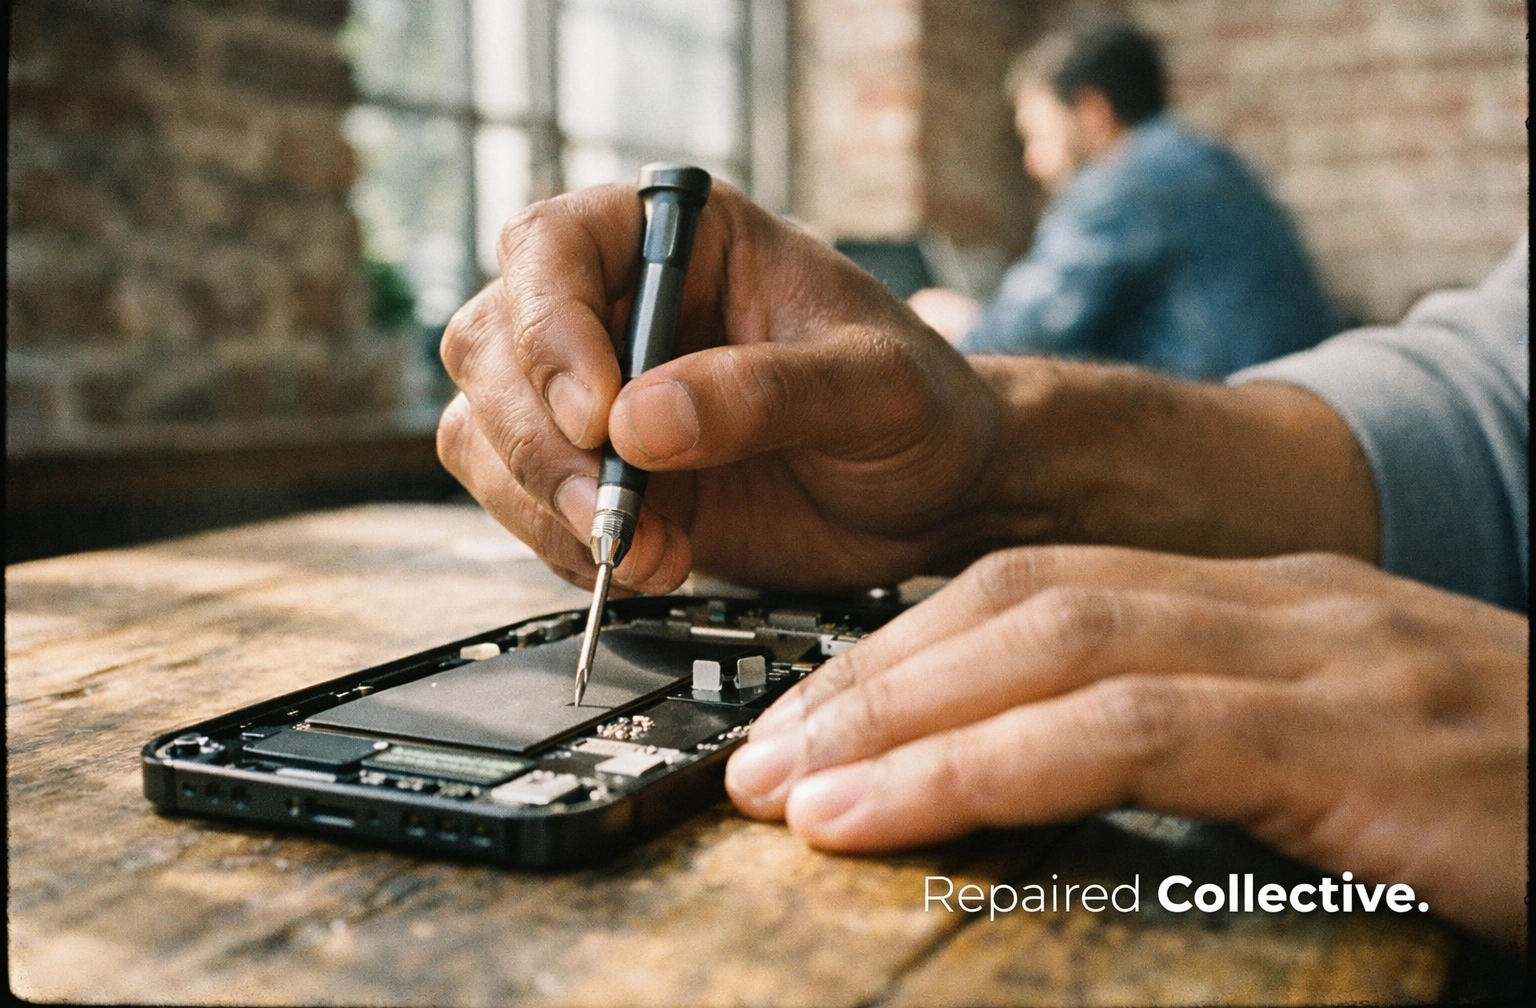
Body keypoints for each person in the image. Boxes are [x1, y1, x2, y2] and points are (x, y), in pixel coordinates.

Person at [436, 179, 1526, 948]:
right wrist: (992, 457)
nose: (1039, 156)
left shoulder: (1138, 182)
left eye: (1035, 132)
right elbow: (1497, 404)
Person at [910, 22, 1344, 378]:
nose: (1032, 163)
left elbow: (1020, 339)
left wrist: (957, 323)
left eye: (1038, 136)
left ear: (1093, 114)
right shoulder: (1205, 161)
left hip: (1224, 435)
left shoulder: (1127, 183)